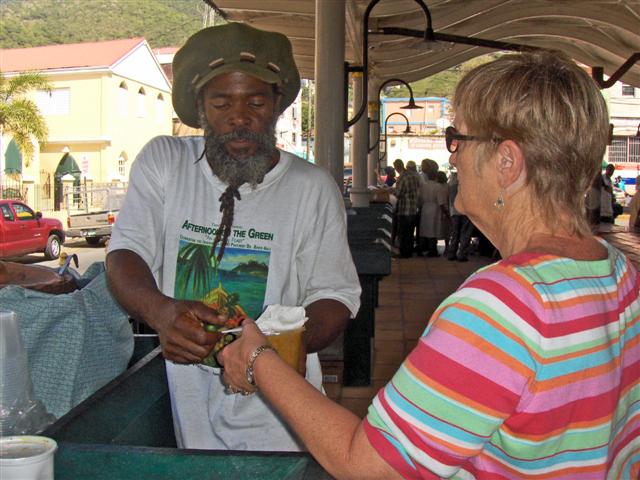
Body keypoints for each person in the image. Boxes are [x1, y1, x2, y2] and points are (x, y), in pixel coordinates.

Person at [219, 50, 640, 479]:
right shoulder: (620, 275)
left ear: (507, 162)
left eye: (457, 139)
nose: (453, 157)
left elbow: (367, 466)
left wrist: (258, 358)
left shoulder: (503, 308)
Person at [105, 22, 361, 451]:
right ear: (200, 107)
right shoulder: (165, 163)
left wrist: (277, 349)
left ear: (278, 105)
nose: (239, 118)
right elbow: (125, 253)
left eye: (256, 103)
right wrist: (162, 312)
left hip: (284, 422)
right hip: (193, 417)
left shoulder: (311, 186)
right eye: (221, 103)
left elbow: (336, 296)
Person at [394, 160, 422, 258]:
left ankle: (404, 253)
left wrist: (390, 191)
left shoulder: (402, 178)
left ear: (397, 167)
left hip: (404, 209)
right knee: (410, 233)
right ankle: (409, 252)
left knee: (403, 233)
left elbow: (398, 193)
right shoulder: (414, 177)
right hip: (413, 208)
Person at [417, 160, 445, 257]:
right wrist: (445, 213)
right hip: (434, 209)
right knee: (433, 230)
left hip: (425, 208)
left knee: (423, 230)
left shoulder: (423, 186)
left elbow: (419, 198)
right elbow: (441, 202)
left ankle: (420, 250)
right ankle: (432, 251)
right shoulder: (438, 187)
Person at [446, 171, 474, 261]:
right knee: (465, 233)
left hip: (454, 211)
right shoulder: (468, 185)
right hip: (466, 211)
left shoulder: (451, 185)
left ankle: (451, 253)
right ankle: (462, 254)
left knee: (455, 233)